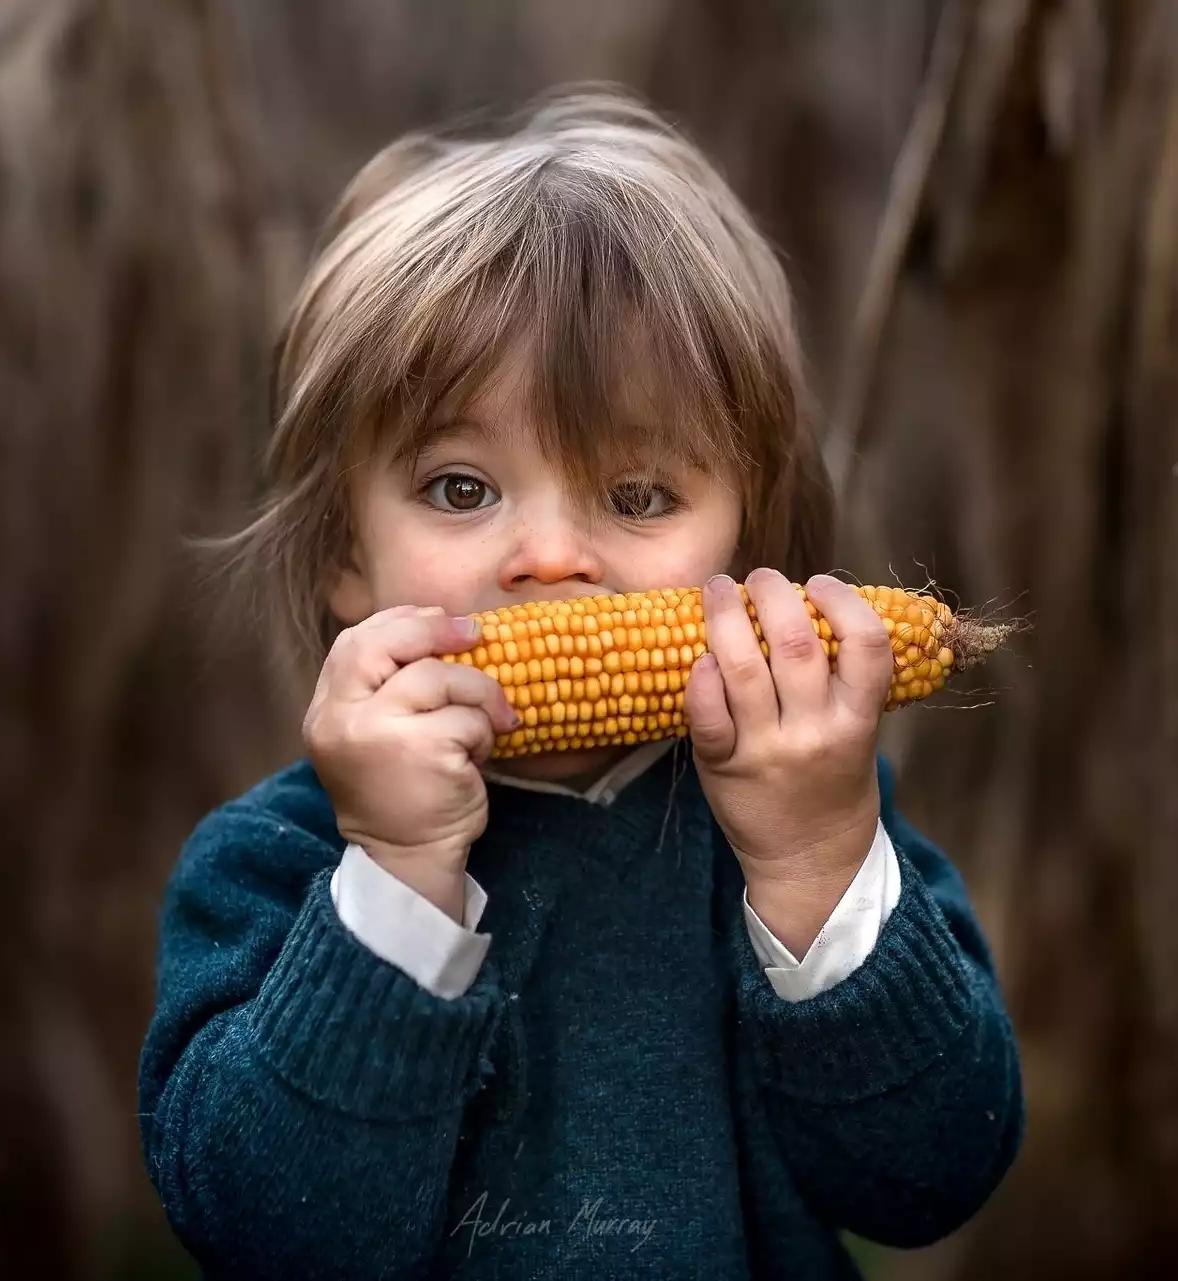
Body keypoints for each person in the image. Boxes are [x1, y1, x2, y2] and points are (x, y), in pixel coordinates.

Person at [138, 82, 1023, 1280]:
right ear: (346, 553)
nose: (552, 557)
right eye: (461, 488)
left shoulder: (800, 823)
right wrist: (394, 885)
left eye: (638, 496)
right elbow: (270, 1234)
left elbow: (929, 1177)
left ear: (747, 551)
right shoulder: (274, 866)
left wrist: (816, 864)